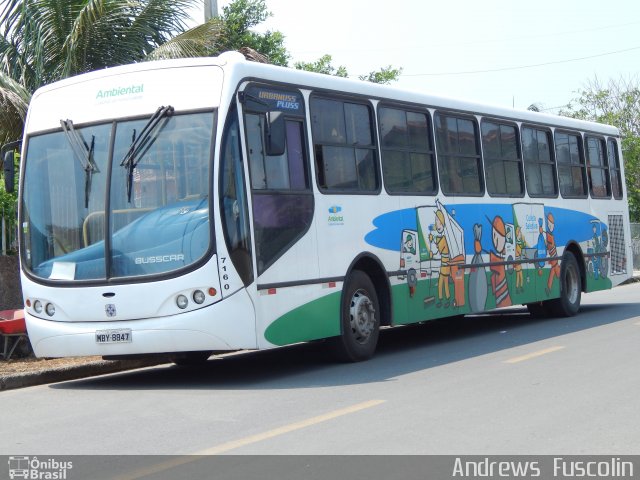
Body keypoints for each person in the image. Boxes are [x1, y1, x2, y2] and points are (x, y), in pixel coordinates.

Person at [429, 210, 451, 307]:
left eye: (438, 220)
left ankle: (447, 300)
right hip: (443, 264)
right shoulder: (441, 238)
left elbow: (439, 250)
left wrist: (433, 240)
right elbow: (438, 251)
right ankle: (442, 300)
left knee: (444, 283)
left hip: (446, 265)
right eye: (436, 220)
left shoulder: (444, 239)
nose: (436, 223)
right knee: (441, 282)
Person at [489, 216, 512, 308]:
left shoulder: (498, 260)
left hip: (503, 295)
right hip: (500, 293)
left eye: (498, 236)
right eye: (494, 236)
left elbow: (494, 265)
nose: (496, 240)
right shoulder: (498, 259)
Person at [545, 212, 561, 296]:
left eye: (551, 224)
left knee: (555, 272)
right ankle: (549, 288)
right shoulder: (548, 235)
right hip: (553, 257)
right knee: (554, 272)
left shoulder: (550, 236)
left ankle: (549, 288)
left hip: (554, 257)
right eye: (549, 224)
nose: (550, 226)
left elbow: (550, 246)